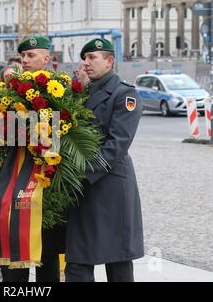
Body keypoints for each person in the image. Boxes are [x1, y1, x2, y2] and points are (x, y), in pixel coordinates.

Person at [65, 38, 144, 282]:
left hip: (109, 185)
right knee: (77, 258)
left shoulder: (124, 93)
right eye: (84, 58)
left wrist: (81, 174)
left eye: (92, 58)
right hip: (82, 186)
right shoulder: (81, 93)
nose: (86, 63)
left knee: (117, 258)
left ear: (109, 61)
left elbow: (117, 144)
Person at [0, 36, 65, 282]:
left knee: (48, 248)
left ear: (47, 58)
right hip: (14, 172)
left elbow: (66, 133)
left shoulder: (62, 88)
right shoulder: (10, 90)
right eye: (23, 56)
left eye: (31, 55)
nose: (25, 60)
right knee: (14, 236)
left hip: (48, 177)